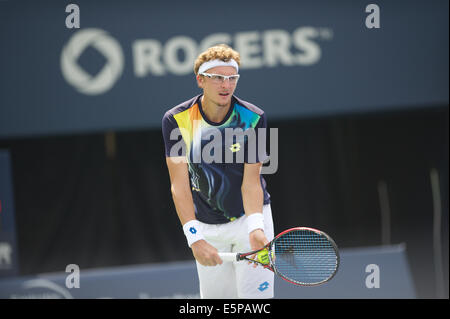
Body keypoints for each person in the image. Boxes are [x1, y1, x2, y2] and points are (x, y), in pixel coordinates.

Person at [162, 44, 274, 299]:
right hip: (206, 226)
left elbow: (251, 182)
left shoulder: (253, 117)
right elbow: (179, 186)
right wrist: (194, 238)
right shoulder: (176, 120)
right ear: (200, 80)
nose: (226, 85)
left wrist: (256, 228)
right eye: (218, 78)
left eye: (232, 78)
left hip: (250, 219)